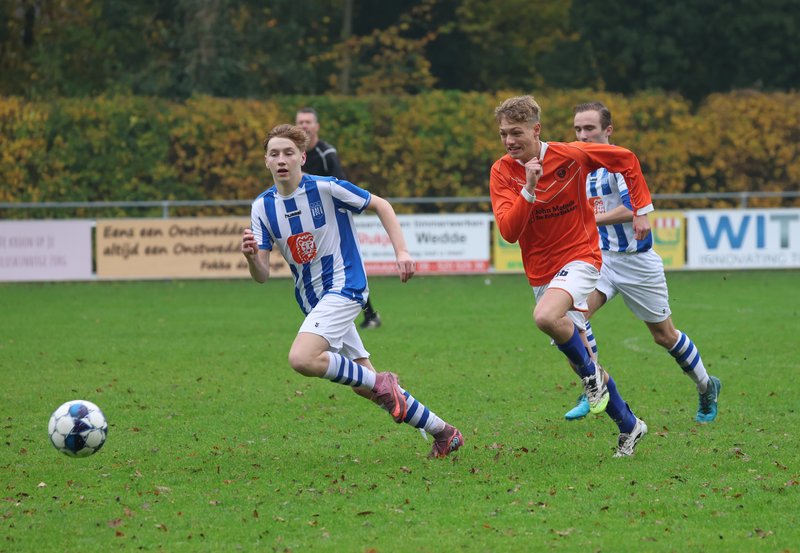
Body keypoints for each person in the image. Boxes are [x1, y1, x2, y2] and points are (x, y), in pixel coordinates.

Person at [241, 123, 463, 459]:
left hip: (345, 287)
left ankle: (385, 384)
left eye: (288, 152)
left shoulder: (326, 188)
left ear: (303, 156)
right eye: (274, 153)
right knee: (366, 384)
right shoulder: (262, 207)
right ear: (266, 161)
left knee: (302, 358)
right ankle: (444, 433)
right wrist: (249, 257)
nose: (281, 159)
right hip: (313, 302)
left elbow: (382, 205)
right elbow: (261, 274)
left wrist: (402, 252)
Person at [490, 95, 649, 457]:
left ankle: (593, 378)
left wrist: (642, 208)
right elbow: (509, 232)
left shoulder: (573, 155)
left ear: (536, 129)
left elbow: (626, 160)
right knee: (583, 360)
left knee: (546, 317)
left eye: (516, 132)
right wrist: (528, 189)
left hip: (581, 257)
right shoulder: (502, 172)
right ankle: (630, 426)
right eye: (503, 134)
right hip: (541, 273)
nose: (509, 141)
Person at [563, 102, 721, 423]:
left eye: (589, 128)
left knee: (664, 336)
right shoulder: (580, 168)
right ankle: (595, 385)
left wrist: (597, 219)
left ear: (608, 131)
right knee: (570, 318)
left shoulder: (619, 164)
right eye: (578, 129)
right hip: (601, 260)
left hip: (638, 263)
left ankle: (706, 386)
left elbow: (631, 205)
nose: (583, 135)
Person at [295, 107, 382, 329]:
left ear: (316, 127)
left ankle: (369, 314)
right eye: (300, 122)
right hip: (308, 220)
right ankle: (329, 315)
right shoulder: (293, 154)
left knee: (343, 270)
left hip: (332, 219)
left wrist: (310, 180)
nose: (304, 126)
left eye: (308, 122)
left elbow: (341, 183)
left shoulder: (326, 153)